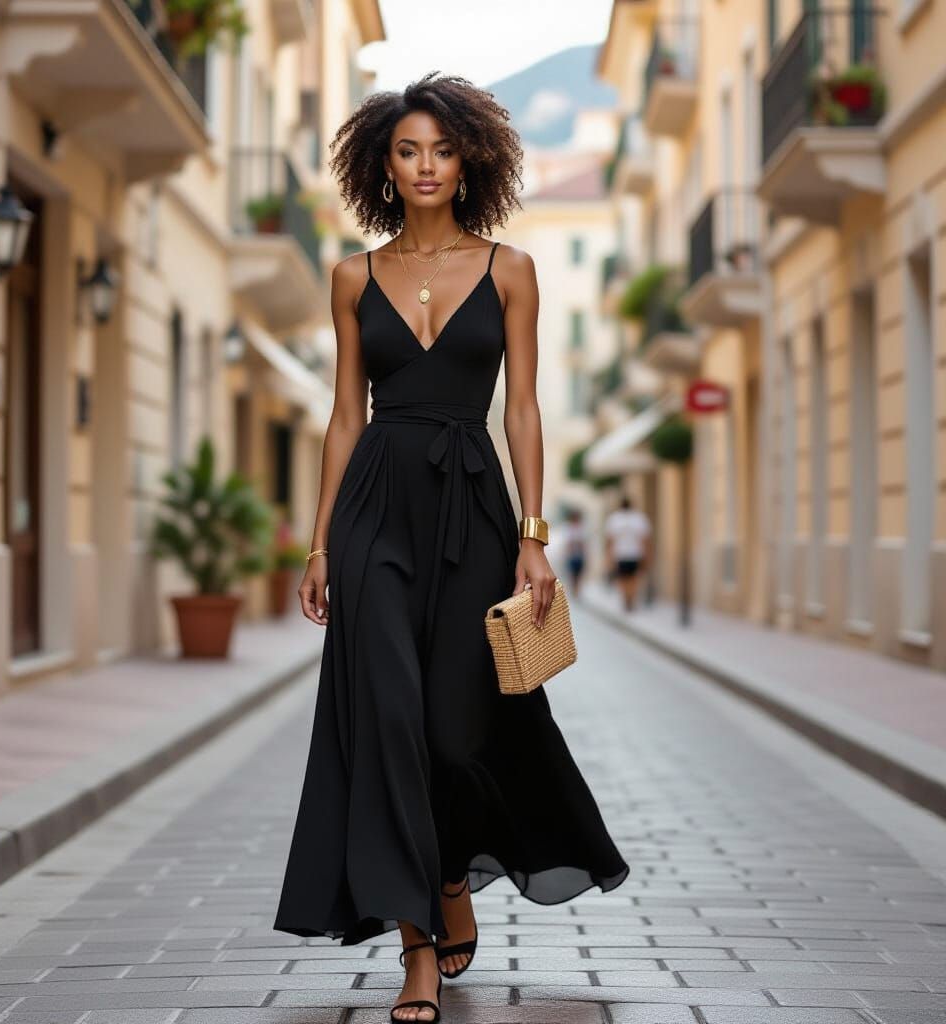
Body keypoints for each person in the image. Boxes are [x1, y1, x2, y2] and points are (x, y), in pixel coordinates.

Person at [273, 72, 630, 1024]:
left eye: (439, 149)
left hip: (472, 508)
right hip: (376, 509)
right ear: (382, 167)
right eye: (406, 151)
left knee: (453, 729)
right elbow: (345, 417)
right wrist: (318, 546)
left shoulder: (510, 268)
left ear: (467, 158)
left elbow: (521, 407)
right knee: (386, 715)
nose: (425, 166)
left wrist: (534, 536)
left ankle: (451, 876)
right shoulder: (354, 276)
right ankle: (417, 947)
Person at [604, 495, 652, 613]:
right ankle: (631, 598)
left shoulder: (614, 519)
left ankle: (626, 598)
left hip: (620, 554)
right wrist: (647, 555)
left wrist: (608, 557)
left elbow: (610, 541)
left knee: (622, 578)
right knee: (634, 578)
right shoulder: (639, 518)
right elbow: (645, 540)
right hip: (635, 554)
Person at [555, 508, 588, 598]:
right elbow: (566, 543)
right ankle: (574, 590)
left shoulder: (581, 528)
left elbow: (584, 543)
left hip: (579, 555)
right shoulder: (568, 528)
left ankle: (577, 590)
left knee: (578, 573)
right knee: (573, 573)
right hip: (572, 555)